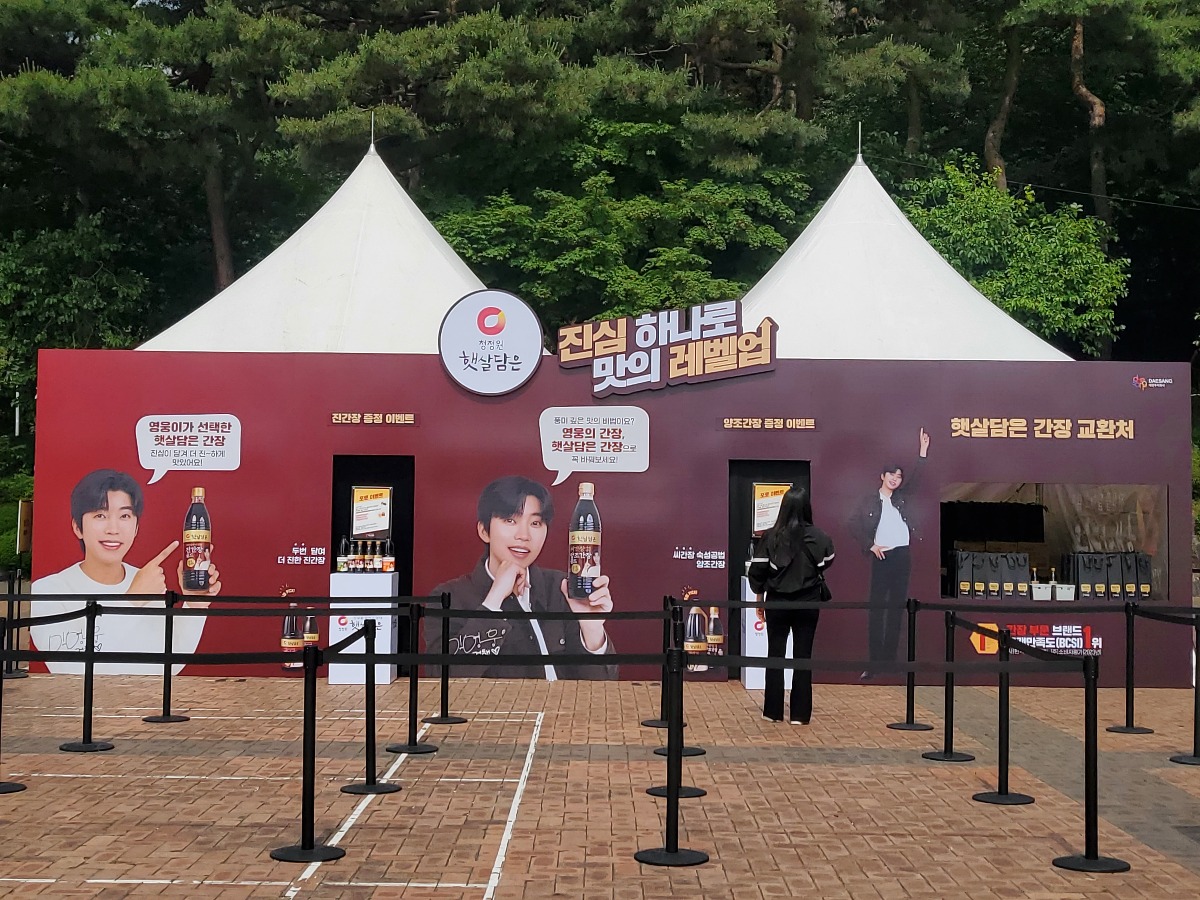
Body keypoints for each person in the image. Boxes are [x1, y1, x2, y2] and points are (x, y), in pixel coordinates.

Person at [31, 469, 221, 675]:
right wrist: (130, 601)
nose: (113, 529)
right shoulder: (47, 590)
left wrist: (194, 606)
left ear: (136, 527)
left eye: (124, 516)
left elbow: (168, 663)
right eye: (100, 515)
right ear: (77, 527)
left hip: (146, 696)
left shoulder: (147, 581)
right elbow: (68, 667)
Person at [427, 475, 616, 679]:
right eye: (510, 520)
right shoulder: (449, 597)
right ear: (484, 531)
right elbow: (441, 679)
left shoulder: (562, 589)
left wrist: (592, 629)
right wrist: (494, 600)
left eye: (535, 523)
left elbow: (599, 689)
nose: (524, 535)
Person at [747, 486, 834, 724]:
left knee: (775, 654)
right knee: (803, 656)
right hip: (808, 603)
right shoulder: (820, 537)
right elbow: (827, 560)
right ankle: (800, 714)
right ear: (807, 507)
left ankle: (772, 712)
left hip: (778, 602)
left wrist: (759, 598)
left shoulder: (770, 537)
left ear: (783, 507)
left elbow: (757, 572)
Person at [850, 428, 929, 680]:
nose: (895, 479)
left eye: (899, 476)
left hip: (902, 556)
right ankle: (874, 663)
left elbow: (917, 480)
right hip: (882, 557)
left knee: (896, 609)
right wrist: (870, 545)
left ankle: (890, 661)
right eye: (891, 475)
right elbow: (852, 524)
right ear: (882, 476)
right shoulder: (870, 500)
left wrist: (922, 454)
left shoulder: (902, 498)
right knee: (876, 610)